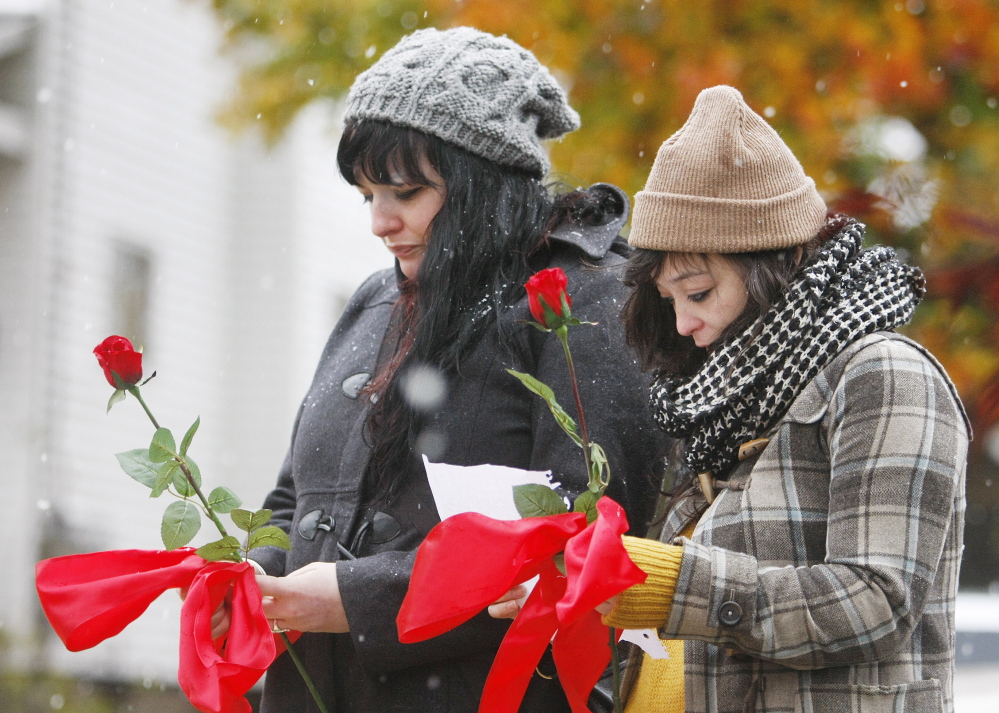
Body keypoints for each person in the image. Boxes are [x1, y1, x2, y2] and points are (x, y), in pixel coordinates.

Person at [231, 26, 666, 713]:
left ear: (480, 185)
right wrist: (251, 575)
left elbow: (590, 540)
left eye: (403, 191)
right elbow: (295, 498)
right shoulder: (375, 299)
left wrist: (358, 598)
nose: (379, 220)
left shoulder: (583, 298)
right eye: (366, 193)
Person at [494, 85, 969, 713]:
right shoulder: (723, 403)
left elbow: (875, 603)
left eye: (699, 291)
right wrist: (581, 589)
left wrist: (660, 583)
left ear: (774, 263)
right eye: (670, 301)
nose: (686, 325)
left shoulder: (884, 377)